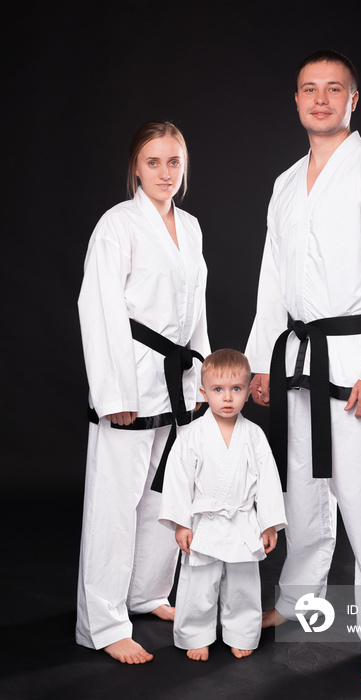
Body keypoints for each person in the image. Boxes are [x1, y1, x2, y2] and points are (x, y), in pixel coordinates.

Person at [245, 50, 361, 684]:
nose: (320, 99)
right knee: (303, 488)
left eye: (334, 89)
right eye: (308, 89)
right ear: (296, 101)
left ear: (353, 100)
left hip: (355, 358)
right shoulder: (286, 182)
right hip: (296, 357)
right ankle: (297, 599)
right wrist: (265, 357)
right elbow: (273, 279)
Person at [76, 121, 211, 664]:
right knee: (115, 501)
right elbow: (98, 308)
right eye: (153, 163)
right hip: (129, 374)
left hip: (176, 380)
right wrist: (113, 391)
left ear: (185, 166)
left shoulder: (193, 227)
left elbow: (195, 309)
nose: (164, 173)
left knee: (166, 494)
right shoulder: (118, 224)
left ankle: (149, 592)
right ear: (136, 167)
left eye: (173, 162)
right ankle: (104, 623)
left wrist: (201, 378)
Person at [159, 349, 287, 661]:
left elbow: (269, 480)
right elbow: (177, 480)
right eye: (218, 390)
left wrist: (269, 523)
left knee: (243, 585)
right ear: (203, 392)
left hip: (243, 522)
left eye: (235, 389)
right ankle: (196, 634)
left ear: (247, 392)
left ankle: (242, 633)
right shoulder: (191, 434)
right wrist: (181, 523)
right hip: (205, 522)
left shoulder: (254, 435)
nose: (227, 398)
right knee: (198, 585)